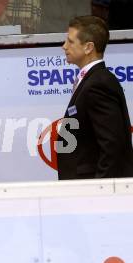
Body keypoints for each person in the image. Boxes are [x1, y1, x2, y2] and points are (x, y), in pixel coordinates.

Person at [57, 15, 133, 179]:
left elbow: (111, 145)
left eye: (70, 42)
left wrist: (100, 190)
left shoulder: (98, 84)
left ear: (88, 47)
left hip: (92, 189)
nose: (64, 46)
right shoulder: (92, 80)